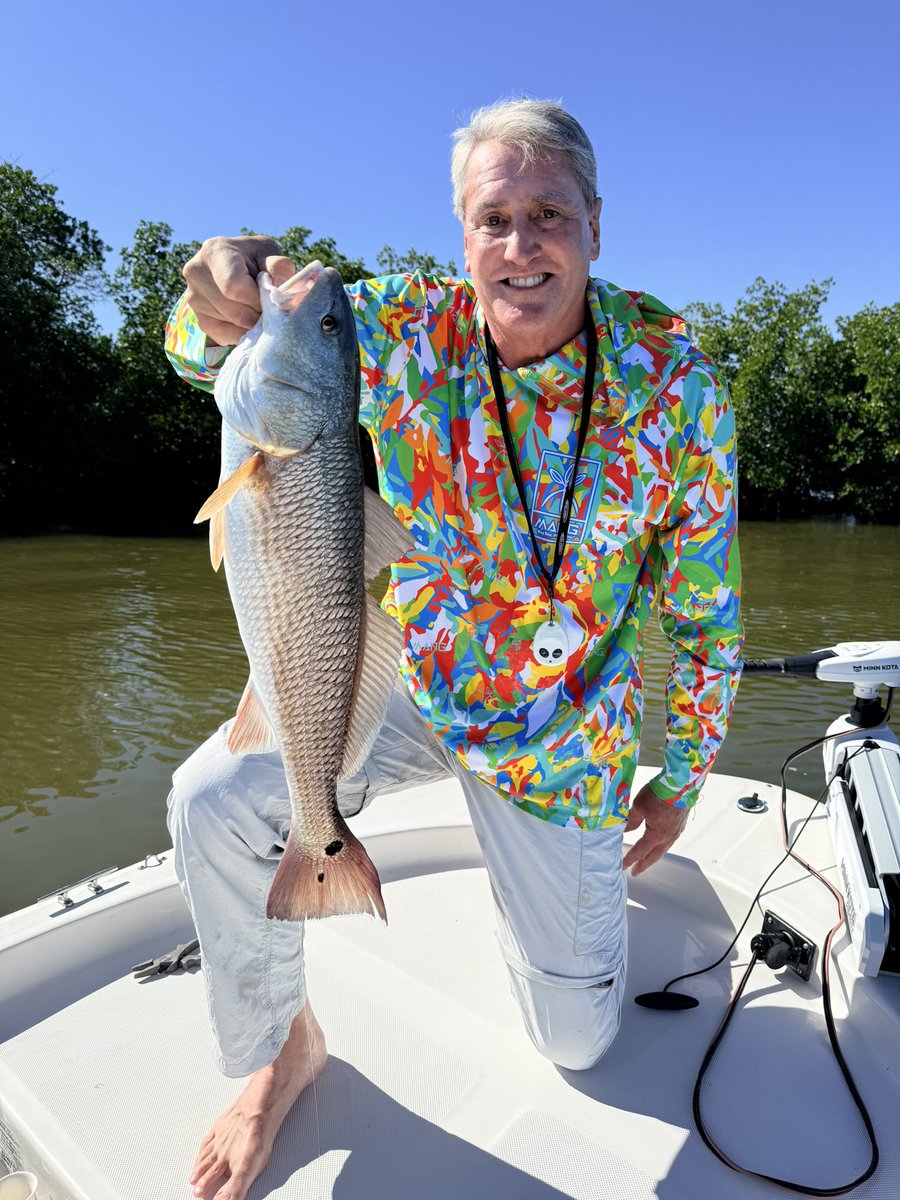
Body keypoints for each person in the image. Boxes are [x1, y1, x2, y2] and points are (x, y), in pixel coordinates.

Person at [164, 98, 742, 1200]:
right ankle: (283, 1052)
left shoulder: (680, 384)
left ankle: (550, 901)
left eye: (548, 214)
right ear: (461, 234)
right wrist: (220, 292)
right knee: (211, 797)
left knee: (580, 1046)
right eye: (494, 218)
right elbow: (212, 355)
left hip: (565, 737)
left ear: (596, 224)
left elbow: (706, 616)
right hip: (404, 682)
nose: (521, 247)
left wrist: (684, 776)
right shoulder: (390, 325)